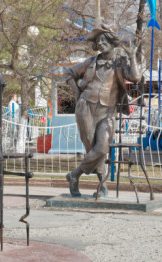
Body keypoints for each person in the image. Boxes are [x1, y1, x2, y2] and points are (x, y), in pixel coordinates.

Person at [64, 23, 142, 197]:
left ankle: (74, 175)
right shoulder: (91, 62)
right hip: (86, 107)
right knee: (91, 147)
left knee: (102, 148)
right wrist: (78, 94)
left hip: (107, 111)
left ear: (112, 42)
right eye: (98, 41)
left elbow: (135, 77)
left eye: (104, 40)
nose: (100, 44)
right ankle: (102, 185)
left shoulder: (121, 62)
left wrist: (132, 57)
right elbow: (68, 73)